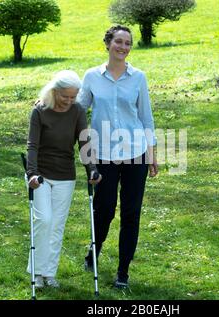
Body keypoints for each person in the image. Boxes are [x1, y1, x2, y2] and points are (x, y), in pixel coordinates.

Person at [77, 25, 158, 289]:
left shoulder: (138, 77)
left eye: (127, 43)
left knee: (131, 213)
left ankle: (123, 272)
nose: (123, 47)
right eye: (118, 42)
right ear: (108, 44)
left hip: (136, 155)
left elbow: (145, 116)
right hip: (104, 155)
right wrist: (50, 103)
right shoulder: (91, 76)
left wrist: (152, 152)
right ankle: (94, 253)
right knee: (104, 211)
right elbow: (77, 109)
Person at [26, 70, 101, 289]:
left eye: (73, 96)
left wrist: (92, 170)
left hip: (65, 174)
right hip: (40, 174)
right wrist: (31, 174)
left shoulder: (77, 111)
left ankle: (49, 273)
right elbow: (32, 145)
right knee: (44, 220)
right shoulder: (40, 111)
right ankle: (36, 273)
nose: (69, 101)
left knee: (57, 225)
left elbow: (84, 142)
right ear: (54, 91)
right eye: (65, 96)